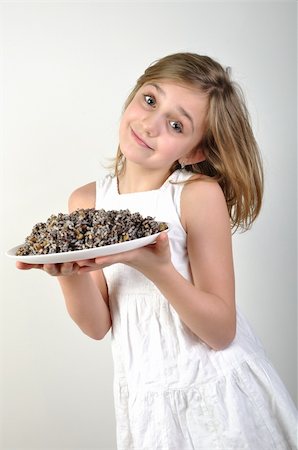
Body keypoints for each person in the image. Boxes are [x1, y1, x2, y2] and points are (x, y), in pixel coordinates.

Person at [17, 52, 297, 449]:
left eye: (176, 124)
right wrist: (68, 272)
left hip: (215, 394)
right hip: (147, 400)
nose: (150, 125)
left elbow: (221, 332)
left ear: (194, 151)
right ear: (134, 94)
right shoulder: (86, 202)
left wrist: (158, 268)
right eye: (150, 100)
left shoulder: (195, 196)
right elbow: (97, 327)